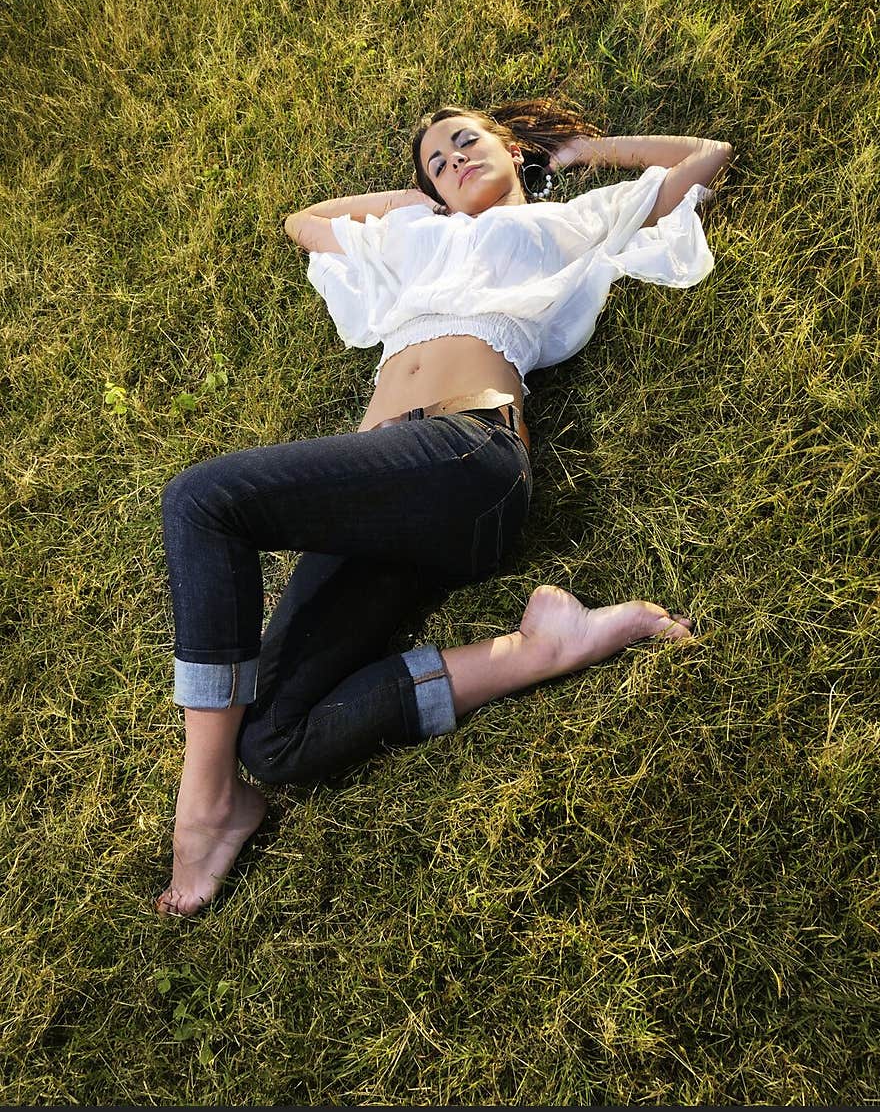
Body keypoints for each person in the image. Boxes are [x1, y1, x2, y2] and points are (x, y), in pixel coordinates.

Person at [157, 98, 733, 917]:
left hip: (467, 460)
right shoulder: (413, 240)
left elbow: (707, 154)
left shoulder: (563, 223)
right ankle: (543, 647)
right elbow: (306, 222)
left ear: (508, 146)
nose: (453, 159)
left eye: (466, 141)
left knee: (203, 501)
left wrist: (574, 153)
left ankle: (203, 809)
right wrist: (415, 205)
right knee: (272, 739)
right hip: (387, 502)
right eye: (435, 161)